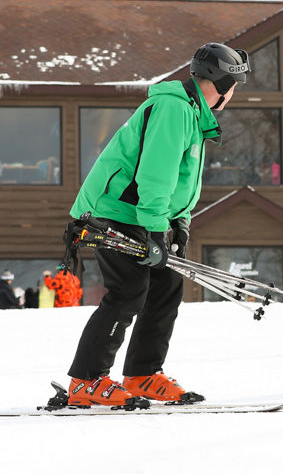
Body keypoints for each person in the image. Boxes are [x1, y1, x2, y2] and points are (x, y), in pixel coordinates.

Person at [62, 42, 249, 407]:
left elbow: (182, 184)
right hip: (115, 211)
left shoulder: (194, 115)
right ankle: (85, 380)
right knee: (129, 291)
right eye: (236, 85)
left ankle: (142, 374)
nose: (234, 94)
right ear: (224, 82)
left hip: (143, 214)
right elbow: (155, 175)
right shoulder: (174, 109)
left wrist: (179, 225)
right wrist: (153, 231)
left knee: (165, 288)